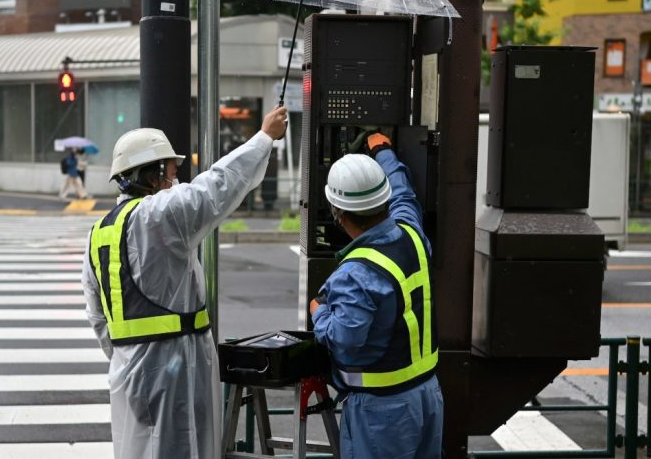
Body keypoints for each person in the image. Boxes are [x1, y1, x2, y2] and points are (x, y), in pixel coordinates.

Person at [81, 105, 288, 459]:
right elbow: (217, 187)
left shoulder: (100, 232)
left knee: (140, 450)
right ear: (152, 175)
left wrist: (127, 358)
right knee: (183, 448)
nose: (176, 182)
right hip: (173, 364)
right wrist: (264, 137)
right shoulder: (157, 214)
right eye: (171, 173)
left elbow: (98, 316)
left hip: (129, 367)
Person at [310, 133, 443, 459]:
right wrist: (382, 148)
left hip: (382, 412)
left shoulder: (354, 273)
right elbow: (403, 191)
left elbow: (345, 339)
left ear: (337, 212)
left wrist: (318, 313)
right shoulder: (412, 234)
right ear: (383, 199)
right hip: (428, 396)